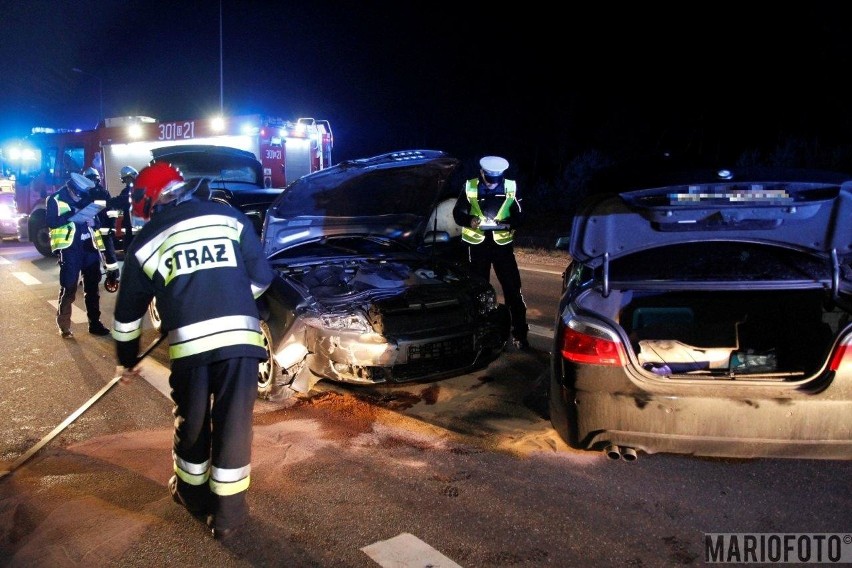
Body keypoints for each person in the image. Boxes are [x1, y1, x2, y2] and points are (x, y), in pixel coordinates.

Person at [112, 162, 274, 541]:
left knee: (194, 423)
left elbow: (126, 315)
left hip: (191, 351)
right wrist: (226, 301)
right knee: (235, 426)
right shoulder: (229, 217)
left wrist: (127, 359)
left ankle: (192, 495)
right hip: (242, 344)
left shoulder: (147, 240)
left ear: (151, 202)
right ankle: (229, 516)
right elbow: (262, 278)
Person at [453, 155, 530, 350]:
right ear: (482, 173)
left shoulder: (511, 187)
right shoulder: (470, 186)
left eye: (497, 180)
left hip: (502, 247)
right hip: (477, 246)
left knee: (513, 290)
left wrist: (509, 223)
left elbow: (521, 215)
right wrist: (469, 220)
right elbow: (457, 213)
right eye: (489, 179)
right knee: (478, 293)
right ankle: (479, 336)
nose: (493, 183)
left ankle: (520, 334)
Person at [46, 172, 119, 337]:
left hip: (89, 248)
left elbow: (97, 222)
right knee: (69, 288)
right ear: (70, 187)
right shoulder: (55, 199)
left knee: (93, 289)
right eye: (76, 194)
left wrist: (94, 222)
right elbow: (51, 222)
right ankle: (64, 326)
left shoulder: (86, 197)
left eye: (81, 194)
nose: (79, 196)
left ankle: (95, 324)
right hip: (70, 250)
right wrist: (72, 216)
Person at [110, 165, 138, 252]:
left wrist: (109, 202)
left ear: (130, 178)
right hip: (137, 225)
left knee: (129, 249)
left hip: (130, 226)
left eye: (126, 179)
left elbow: (120, 203)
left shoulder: (128, 191)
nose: (126, 182)